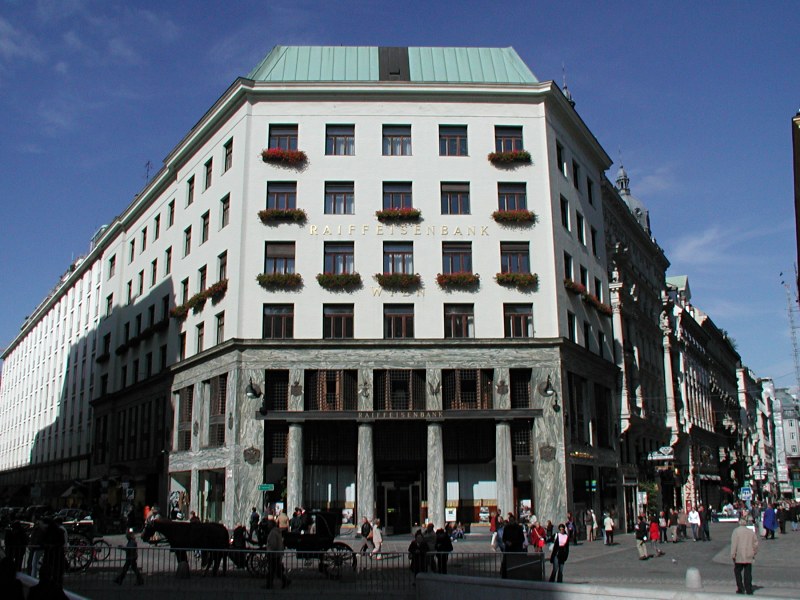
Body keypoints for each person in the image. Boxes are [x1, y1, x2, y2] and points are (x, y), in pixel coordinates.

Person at [731, 516, 758, 595]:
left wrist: (733, 554)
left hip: (739, 554)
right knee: (748, 572)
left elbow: (734, 544)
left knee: (737, 571)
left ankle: (740, 587)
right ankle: (748, 589)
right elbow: (755, 543)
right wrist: (754, 552)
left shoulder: (736, 531)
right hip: (749, 554)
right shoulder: (750, 532)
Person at [265, 519, 290, 588]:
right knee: (276, 570)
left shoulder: (273, 533)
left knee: (272, 570)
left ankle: (270, 584)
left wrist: (270, 550)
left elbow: (273, 544)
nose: (267, 526)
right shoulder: (277, 532)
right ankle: (284, 581)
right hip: (277, 553)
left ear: (271, 525)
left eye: (269, 524)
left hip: (273, 554)